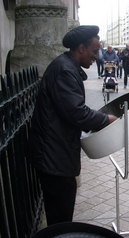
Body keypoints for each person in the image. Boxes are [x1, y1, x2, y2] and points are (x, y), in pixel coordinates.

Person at [28, 25, 117, 225]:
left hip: (55, 152)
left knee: (61, 213)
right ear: (81, 48)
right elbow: (76, 112)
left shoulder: (67, 66)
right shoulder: (64, 70)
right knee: (60, 218)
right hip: (53, 156)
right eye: (94, 51)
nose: (97, 56)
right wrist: (106, 119)